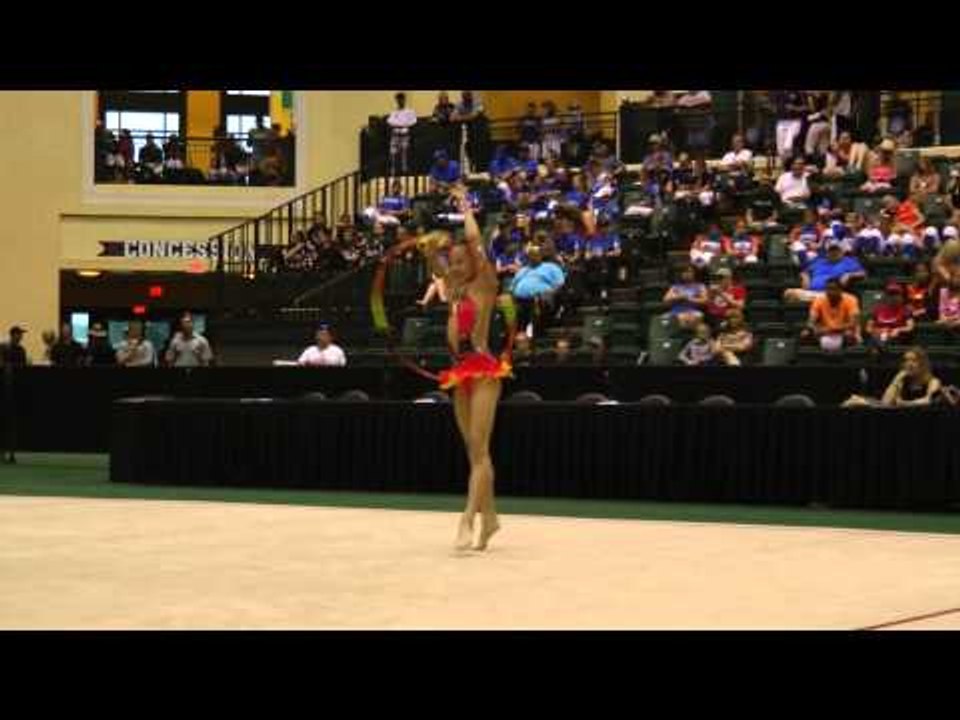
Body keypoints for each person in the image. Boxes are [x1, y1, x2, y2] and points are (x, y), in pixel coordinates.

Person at [416, 186, 509, 552]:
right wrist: (428, 246)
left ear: (473, 262)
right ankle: (492, 518)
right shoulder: (453, 288)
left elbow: (472, 238)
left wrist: (465, 205)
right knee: (473, 452)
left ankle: (467, 518)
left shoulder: (484, 283)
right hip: (458, 371)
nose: (453, 267)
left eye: (460, 261)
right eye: (451, 263)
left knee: (480, 448)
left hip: (483, 368)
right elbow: (433, 262)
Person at [844, 348, 942, 407]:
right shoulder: (902, 379)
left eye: (914, 360)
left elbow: (929, 401)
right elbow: (886, 402)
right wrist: (897, 379)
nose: (909, 364)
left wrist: (905, 404)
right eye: (906, 360)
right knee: (852, 401)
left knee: (859, 401)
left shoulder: (933, 381)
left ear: (923, 363)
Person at [510, 243, 566, 338]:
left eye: (535, 255)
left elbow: (561, 284)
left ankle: (535, 336)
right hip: (519, 301)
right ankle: (518, 337)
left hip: (541, 299)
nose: (533, 257)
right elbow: (512, 286)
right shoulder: (523, 270)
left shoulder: (551, 267)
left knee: (536, 308)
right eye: (531, 255)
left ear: (541, 255)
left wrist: (550, 293)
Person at [784, 240, 866, 303]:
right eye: (831, 250)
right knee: (788, 293)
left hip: (831, 293)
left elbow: (863, 273)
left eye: (836, 250)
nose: (834, 253)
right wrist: (805, 277)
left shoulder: (848, 261)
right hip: (811, 292)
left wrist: (849, 274)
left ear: (842, 251)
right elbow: (804, 272)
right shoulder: (819, 261)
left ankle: (815, 301)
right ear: (827, 252)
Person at [802, 278, 862, 351]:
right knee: (805, 334)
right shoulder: (819, 300)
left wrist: (832, 329)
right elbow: (811, 320)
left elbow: (853, 322)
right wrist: (812, 328)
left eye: (833, 289)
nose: (830, 292)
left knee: (851, 334)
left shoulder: (851, 299)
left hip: (843, 331)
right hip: (824, 332)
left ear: (840, 290)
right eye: (827, 289)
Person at [865, 282, 915, 348]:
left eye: (896, 294)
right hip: (878, 336)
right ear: (886, 296)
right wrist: (876, 331)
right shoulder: (877, 309)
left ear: (901, 296)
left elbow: (910, 327)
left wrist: (899, 329)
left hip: (895, 338)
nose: (893, 297)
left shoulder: (906, 310)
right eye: (890, 295)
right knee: (876, 340)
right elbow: (868, 327)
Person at [663, 265, 708, 329]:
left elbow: (705, 301)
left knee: (697, 316)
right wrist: (678, 297)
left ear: (694, 273)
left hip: (693, 310)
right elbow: (665, 300)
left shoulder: (700, 286)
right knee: (681, 317)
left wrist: (689, 299)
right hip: (677, 311)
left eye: (689, 272)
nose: (687, 274)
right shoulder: (676, 286)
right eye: (684, 272)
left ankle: (690, 335)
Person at [387, 92, 417, 177]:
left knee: (405, 153)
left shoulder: (409, 111)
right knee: (393, 153)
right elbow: (390, 122)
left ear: (404, 100)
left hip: (405, 135)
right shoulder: (394, 112)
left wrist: (400, 124)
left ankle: (405, 171)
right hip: (395, 134)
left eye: (401, 99)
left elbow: (413, 122)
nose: (400, 101)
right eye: (398, 99)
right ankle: (393, 171)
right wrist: (402, 124)